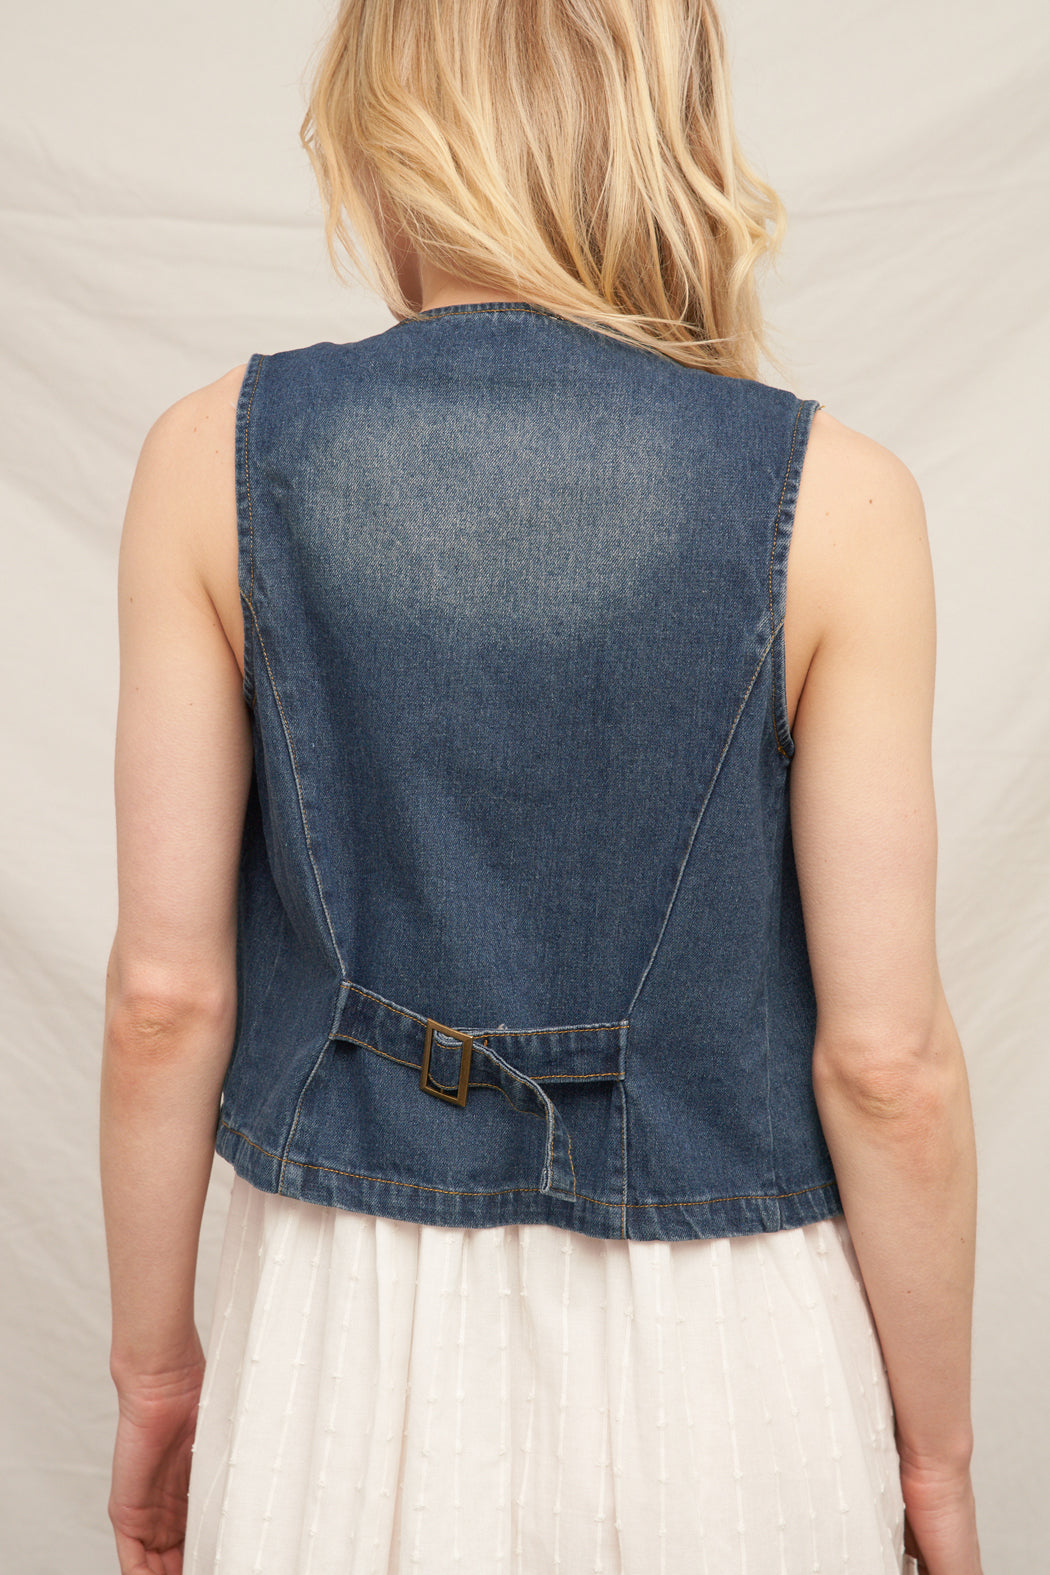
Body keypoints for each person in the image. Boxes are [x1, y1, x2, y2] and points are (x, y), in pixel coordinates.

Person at [99, 2, 983, 1572]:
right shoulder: (839, 499)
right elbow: (886, 1066)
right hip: (723, 1348)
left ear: (387, 133)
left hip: (339, 1337)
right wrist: (937, 1461)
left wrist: (157, 1380)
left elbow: (165, 1000)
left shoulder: (210, 456)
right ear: (666, 125)